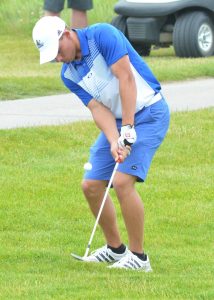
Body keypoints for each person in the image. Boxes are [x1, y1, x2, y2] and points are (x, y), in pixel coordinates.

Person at [32, 16, 170, 271]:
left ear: (66, 33)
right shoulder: (69, 74)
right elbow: (97, 108)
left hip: (149, 112)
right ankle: (115, 249)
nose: (58, 59)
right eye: (53, 57)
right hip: (117, 121)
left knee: (121, 182)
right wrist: (112, 139)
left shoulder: (102, 36)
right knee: (92, 185)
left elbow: (126, 78)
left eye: (58, 51)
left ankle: (139, 258)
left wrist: (128, 129)